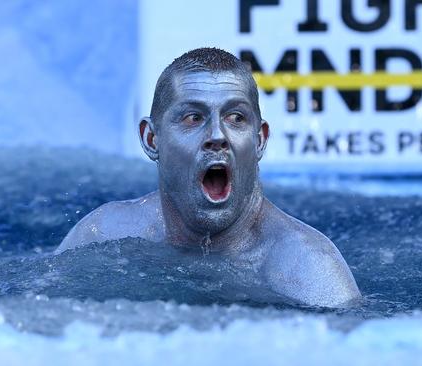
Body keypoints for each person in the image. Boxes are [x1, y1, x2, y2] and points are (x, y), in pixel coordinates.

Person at [56, 47, 360, 307]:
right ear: (151, 139)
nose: (217, 135)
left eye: (235, 118)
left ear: (259, 140)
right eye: (193, 117)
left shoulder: (307, 271)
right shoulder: (105, 234)